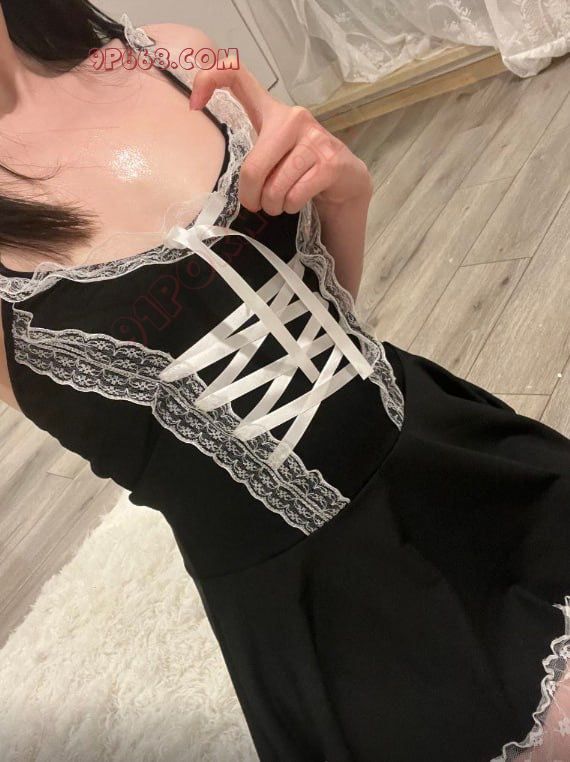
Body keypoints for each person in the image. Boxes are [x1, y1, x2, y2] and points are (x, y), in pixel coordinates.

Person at [0, 2, 568, 760]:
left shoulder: (175, 56)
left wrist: (347, 192)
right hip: (323, 608)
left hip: (445, 444)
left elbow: (331, 316)